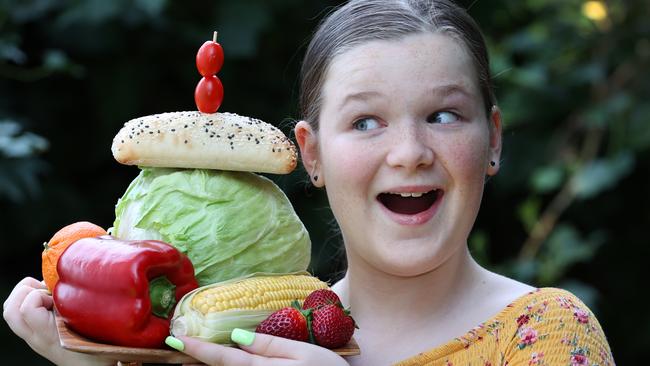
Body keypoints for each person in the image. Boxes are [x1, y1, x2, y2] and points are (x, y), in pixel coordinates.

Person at [4, 0, 615, 365]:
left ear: (494, 141)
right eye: (366, 121)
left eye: (443, 114)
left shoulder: (548, 335)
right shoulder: (228, 341)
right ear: (312, 155)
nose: (408, 153)